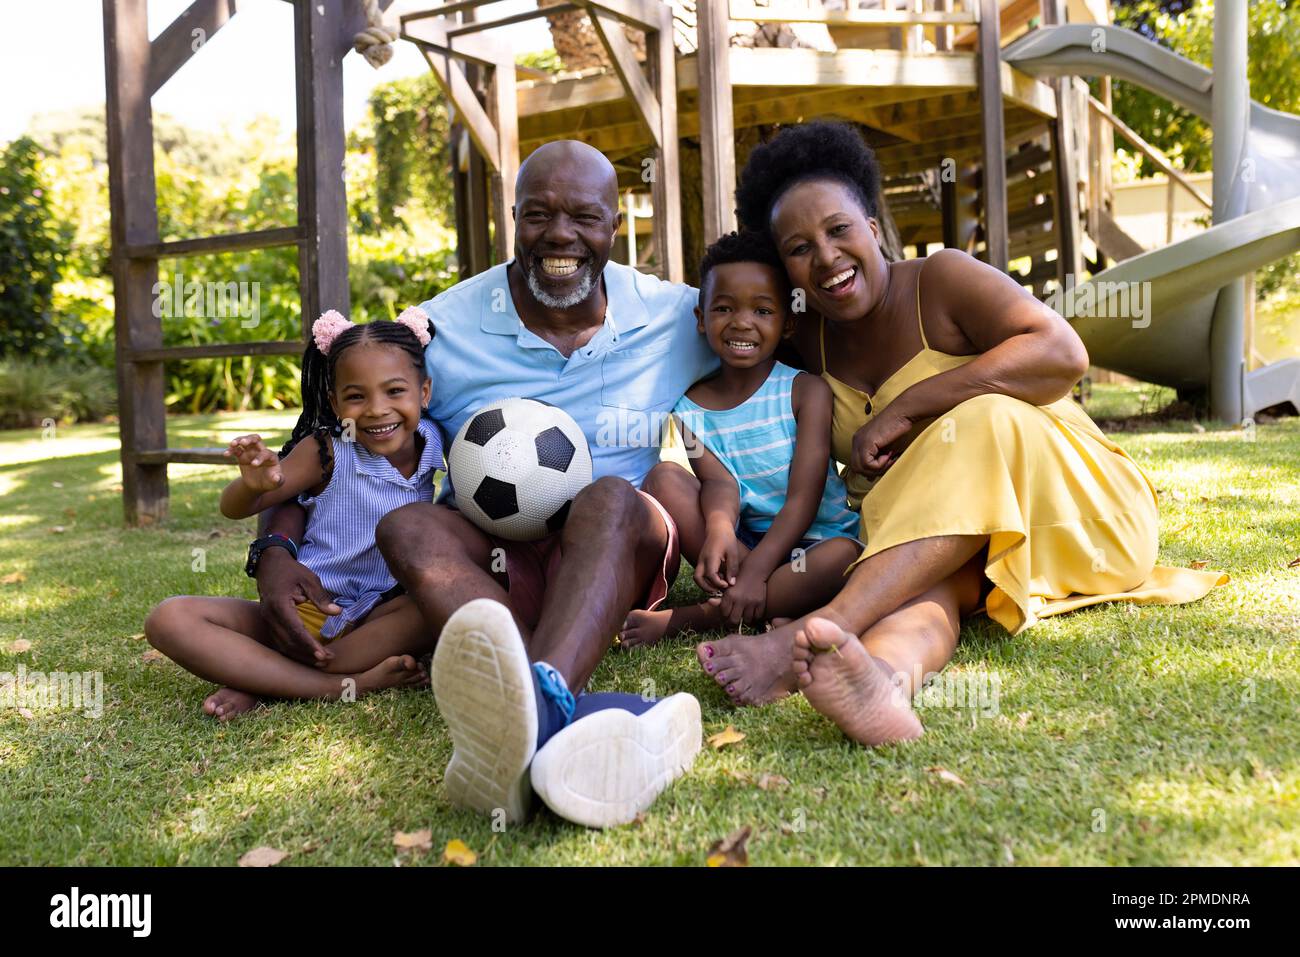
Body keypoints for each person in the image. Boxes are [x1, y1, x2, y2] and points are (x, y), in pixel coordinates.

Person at [689, 120, 1226, 738]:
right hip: (937, 540)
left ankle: (814, 632)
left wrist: (910, 406)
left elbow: (1062, 352)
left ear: (871, 224)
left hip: (1074, 509)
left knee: (982, 415)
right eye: (799, 248)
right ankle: (883, 683)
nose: (827, 257)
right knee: (934, 592)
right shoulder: (802, 337)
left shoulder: (941, 280)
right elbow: (719, 344)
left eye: (838, 230)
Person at [251, 140, 717, 827]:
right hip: (491, 561)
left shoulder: (680, 316)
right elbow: (320, 437)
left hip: (617, 548)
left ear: (616, 227)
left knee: (609, 496)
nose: (560, 235)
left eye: (584, 217)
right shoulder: (443, 327)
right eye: (538, 215)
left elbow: (783, 353)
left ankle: (531, 705)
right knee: (407, 526)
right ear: (513, 220)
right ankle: (554, 713)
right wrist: (273, 553)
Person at [143, 310, 443, 719]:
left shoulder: (435, 443)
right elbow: (234, 509)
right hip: (306, 611)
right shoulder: (326, 451)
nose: (377, 409)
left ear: (423, 392)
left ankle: (263, 677)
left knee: (435, 603)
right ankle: (339, 685)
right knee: (169, 618)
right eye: (357, 396)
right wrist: (253, 485)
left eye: (395, 391)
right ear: (335, 403)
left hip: (383, 614)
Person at [619, 229, 862, 649]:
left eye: (763, 310)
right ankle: (774, 605)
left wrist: (752, 576)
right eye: (724, 308)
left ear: (787, 323)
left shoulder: (806, 391)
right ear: (701, 318)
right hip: (746, 543)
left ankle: (704, 615)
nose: (742, 322)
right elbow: (720, 484)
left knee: (845, 557)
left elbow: (804, 499)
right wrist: (719, 531)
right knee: (663, 479)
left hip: (816, 540)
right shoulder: (689, 407)